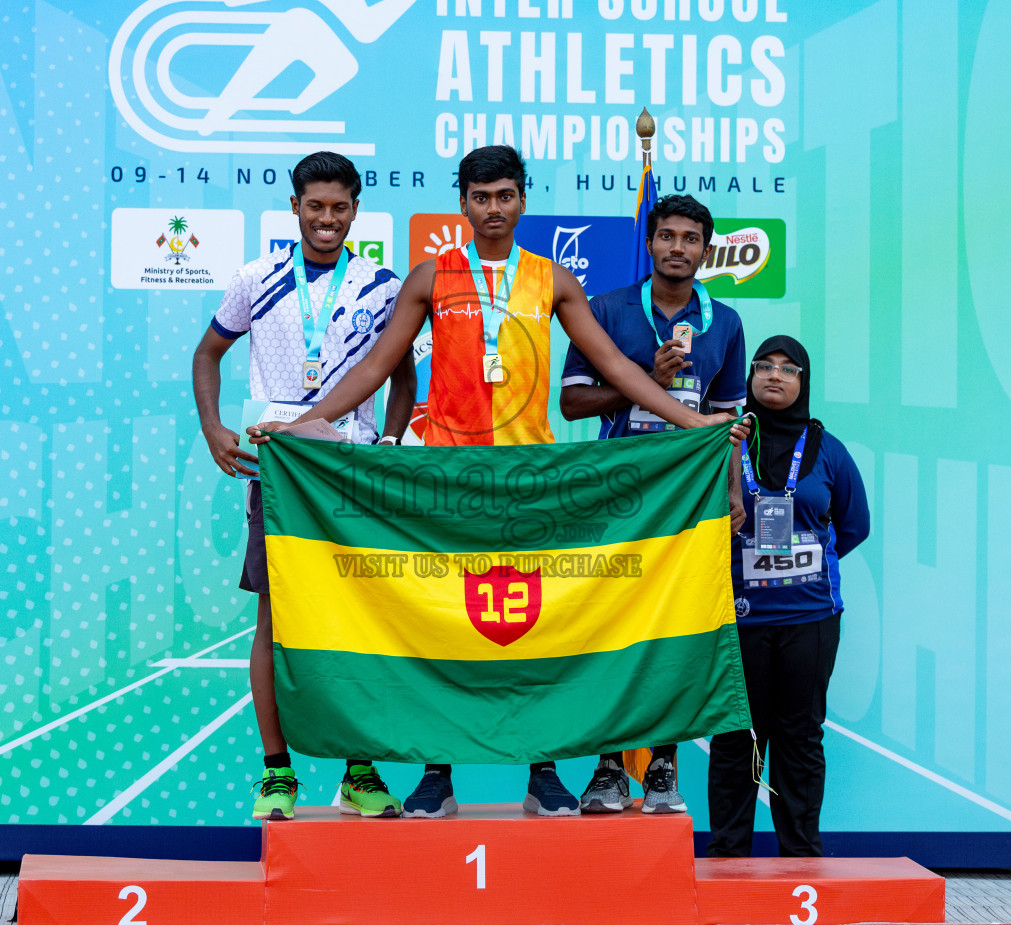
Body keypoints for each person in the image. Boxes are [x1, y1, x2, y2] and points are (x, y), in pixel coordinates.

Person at [252, 145, 737, 818]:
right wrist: (304, 423)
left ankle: (542, 774)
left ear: (522, 201)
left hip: (529, 480)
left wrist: (691, 421)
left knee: (537, 629)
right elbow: (374, 369)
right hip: (447, 479)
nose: (493, 209)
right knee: (442, 628)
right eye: (480, 198)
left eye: (505, 196)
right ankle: (434, 775)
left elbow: (617, 370)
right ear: (463, 203)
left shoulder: (553, 280)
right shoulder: (431, 277)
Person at [190, 151, 416, 821]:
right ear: (294, 207)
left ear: (355, 210)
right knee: (275, 618)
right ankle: (277, 772)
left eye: (339, 207)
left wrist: (391, 445)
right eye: (314, 206)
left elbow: (402, 376)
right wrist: (212, 428)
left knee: (361, 622)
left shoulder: (383, 284)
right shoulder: (256, 277)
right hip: (279, 472)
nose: (326, 219)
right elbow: (208, 352)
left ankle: (360, 771)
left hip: (351, 472)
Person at [561, 193, 750, 816]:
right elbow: (572, 404)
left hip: (689, 500)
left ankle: (665, 767)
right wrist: (648, 378)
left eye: (690, 239)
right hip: (619, 494)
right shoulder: (607, 309)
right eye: (666, 235)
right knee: (613, 628)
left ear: (706, 248)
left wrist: (732, 488)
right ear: (649, 243)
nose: (677, 248)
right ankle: (610, 767)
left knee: (680, 628)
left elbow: (725, 420)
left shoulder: (725, 322)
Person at [706, 336, 870, 857]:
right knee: (737, 738)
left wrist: (798, 568)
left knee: (799, 736)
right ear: (750, 377)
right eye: (764, 367)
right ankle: (728, 852)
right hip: (737, 618)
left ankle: (801, 852)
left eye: (789, 369)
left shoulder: (830, 450)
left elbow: (853, 525)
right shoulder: (723, 442)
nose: (775, 376)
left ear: (804, 383)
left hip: (810, 618)